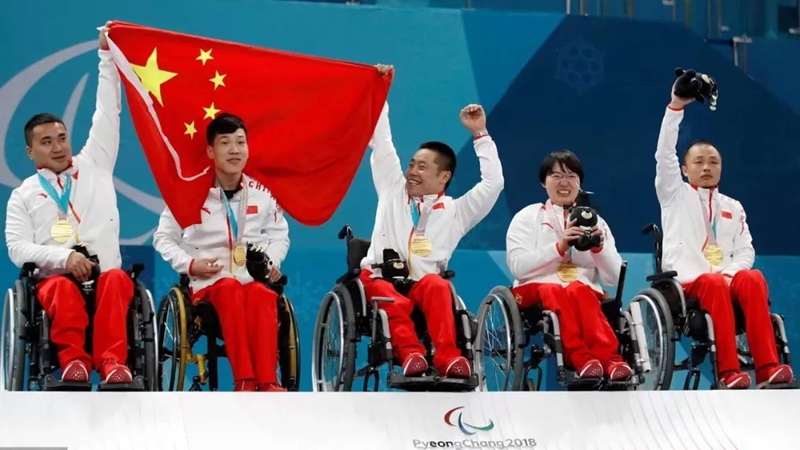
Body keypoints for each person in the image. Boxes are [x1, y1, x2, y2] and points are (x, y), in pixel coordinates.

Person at [4, 22, 135, 385]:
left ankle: (112, 363)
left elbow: (107, 111)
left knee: (117, 279)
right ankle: (73, 361)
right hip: (56, 280)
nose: (58, 146)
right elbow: (17, 248)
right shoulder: (23, 194)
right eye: (47, 142)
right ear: (30, 152)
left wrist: (106, 55)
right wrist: (64, 258)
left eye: (62, 137)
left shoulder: (96, 163)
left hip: (104, 275)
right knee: (61, 287)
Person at [358, 65, 504, 379]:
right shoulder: (392, 188)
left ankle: (448, 358)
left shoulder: (456, 212)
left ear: (444, 176)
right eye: (412, 164)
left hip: (424, 285)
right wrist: (380, 89)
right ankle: (412, 356)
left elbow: (493, 184)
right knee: (389, 296)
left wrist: (480, 135)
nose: (412, 171)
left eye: (422, 167)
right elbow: (381, 140)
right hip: (382, 277)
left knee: (439, 286)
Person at [654, 80, 794, 389]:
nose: (706, 167)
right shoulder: (674, 194)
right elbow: (664, 156)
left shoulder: (733, 206)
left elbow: (745, 250)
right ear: (684, 169)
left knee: (753, 277)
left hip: (726, 281)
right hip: (689, 284)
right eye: (698, 162)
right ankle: (728, 372)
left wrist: (731, 273)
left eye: (713, 162)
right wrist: (675, 106)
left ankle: (769, 368)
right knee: (714, 282)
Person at [153, 113, 289, 392]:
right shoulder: (189, 193)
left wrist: (271, 262)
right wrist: (190, 264)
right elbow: (163, 238)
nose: (234, 150)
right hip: (209, 283)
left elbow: (279, 235)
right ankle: (244, 381)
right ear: (210, 151)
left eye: (240, 142)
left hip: (252, 279)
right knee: (229, 288)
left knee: (263, 294)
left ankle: (267, 382)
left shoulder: (263, 194)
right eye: (225, 143)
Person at [505, 150, 633, 381]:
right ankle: (582, 360)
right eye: (556, 176)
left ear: (580, 183)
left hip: (581, 291)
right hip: (535, 289)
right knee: (555, 290)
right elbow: (518, 267)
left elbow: (614, 278)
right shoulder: (527, 217)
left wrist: (599, 249)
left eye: (571, 176)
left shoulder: (596, 222)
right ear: (543, 182)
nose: (564, 182)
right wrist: (559, 247)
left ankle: (612, 361)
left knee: (579, 290)